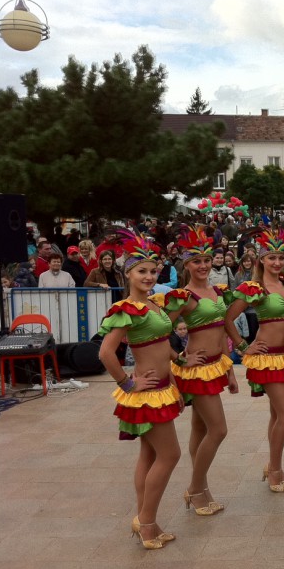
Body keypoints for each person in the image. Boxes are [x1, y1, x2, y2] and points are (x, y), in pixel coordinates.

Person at [97, 231, 191, 550]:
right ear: (128, 274)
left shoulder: (153, 303)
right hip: (145, 392)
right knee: (171, 454)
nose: (149, 276)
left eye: (153, 271)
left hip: (162, 387)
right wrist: (128, 382)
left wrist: (176, 372)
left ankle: (144, 518)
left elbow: (163, 345)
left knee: (149, 454)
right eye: (142, 271)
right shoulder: (127, 308)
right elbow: (106, 353)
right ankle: (147, 523)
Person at [163, 226, 239, 515]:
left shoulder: (217, 291)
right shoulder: (183, 296)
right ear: (186, 265)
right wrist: (179, 359)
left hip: (215, 366)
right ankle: (195, 490)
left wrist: (229, 369)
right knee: (218, 430)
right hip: (197, 370)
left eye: (207, 260)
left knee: (200, 428)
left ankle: (201, 488)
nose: (204, 265)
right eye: (196, 261)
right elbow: (158, 331)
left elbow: (221, 332)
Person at [226, 230, 284, 492]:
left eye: (280, 257)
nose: (277, 262)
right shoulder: (254, 288)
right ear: (261, 260)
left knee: (276, 415)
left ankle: (275, 466)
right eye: (272, 257)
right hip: (267, 358)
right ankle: (274, 469)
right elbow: (228, 319)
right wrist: (244, 348)